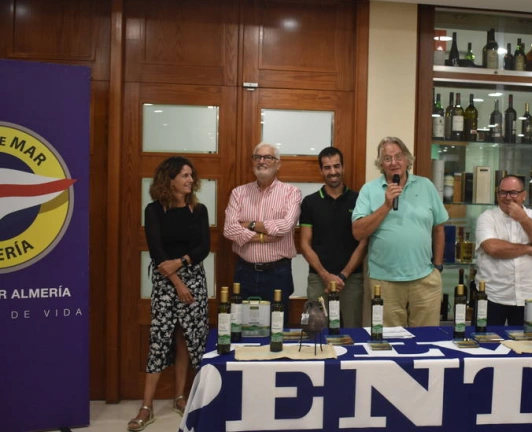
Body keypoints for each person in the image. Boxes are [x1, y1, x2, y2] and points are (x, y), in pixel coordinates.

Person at [129, 156, 210, 431]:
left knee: (187, 337)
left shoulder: (198, 210)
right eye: (185, 175)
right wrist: (176, 281)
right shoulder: (154, 210)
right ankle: (146, 407)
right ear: (170, 179)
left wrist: (182, 262)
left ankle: (179, 397)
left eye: (191, 175)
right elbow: (156, 251)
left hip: (194, 280)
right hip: (166, 281)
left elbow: (203, 248)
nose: (190, 180)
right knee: (159, 339)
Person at [352, 136, 448, 327]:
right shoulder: (369, 190)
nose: (394, 162)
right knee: (390, 340)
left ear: (407, 159)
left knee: (426, 339)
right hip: (384, 282)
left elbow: (438, 229)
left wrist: (437, 267)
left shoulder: (426, 186)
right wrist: (386, 206)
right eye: (387, 158)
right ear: (381, 163)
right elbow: (358, 232)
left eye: (398, 157)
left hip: (424, 279)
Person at [223, 143, 301, 326]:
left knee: (277, 328)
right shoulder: (238, 193)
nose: (261, 161)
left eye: (268, 157)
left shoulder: (291, 193)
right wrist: (264, 237)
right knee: (242, 326)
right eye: (257, 157)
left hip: (278, 273)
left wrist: (249, 224)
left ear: (278, 164)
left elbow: (285, 226)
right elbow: (229, 229)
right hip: (244, 271)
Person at [300, 147, 367, 327]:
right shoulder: (310, 202)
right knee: (314, 329)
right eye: (327, 167)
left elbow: (364, 243)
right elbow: (304, 244)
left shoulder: (359, 200)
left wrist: (343, 276)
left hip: (352, 280)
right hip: (318, 279)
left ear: (343, 167)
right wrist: (325, 275)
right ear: (321, 170)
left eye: (336, 166)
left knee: (353, 331)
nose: (333, 172)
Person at [475, 175, 532, 326]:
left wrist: (523, 219)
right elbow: (492, 248)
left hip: (529, 296)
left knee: (528, 340)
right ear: (497, 195)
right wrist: (528, 248)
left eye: (513, 193)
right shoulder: (487, 217)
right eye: (503, 193)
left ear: (523, 195)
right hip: (493, 295)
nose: (507, 197)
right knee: (487, 339)